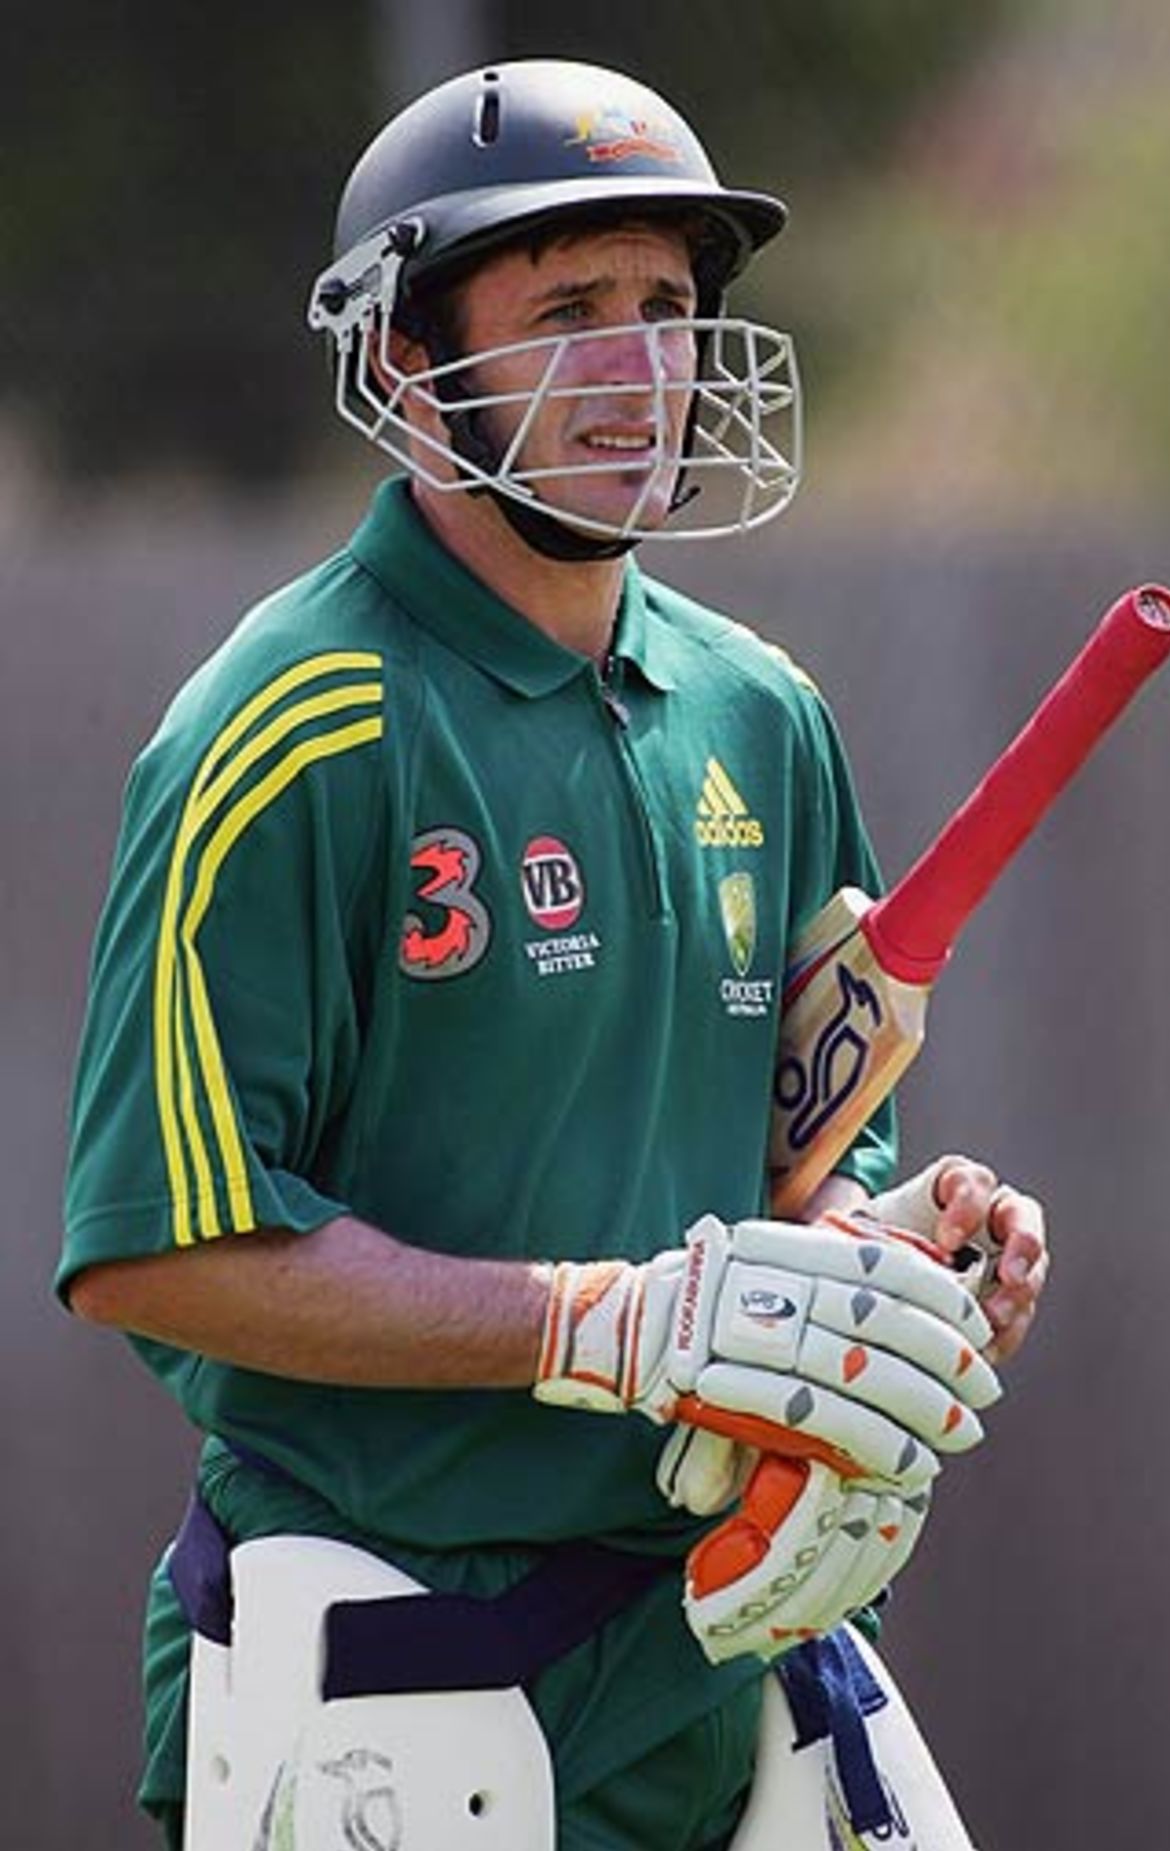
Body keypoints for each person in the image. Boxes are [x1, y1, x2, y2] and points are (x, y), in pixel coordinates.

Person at [58, 57, 1048, 1851]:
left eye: (666, 308)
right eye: (568, 308)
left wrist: (895, 1259)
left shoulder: (765, 714)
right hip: (400, 1698)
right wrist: (604, 1325)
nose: (638, 365)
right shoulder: (290, 726)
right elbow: (162, 1250)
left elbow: (801, 1171)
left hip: (740, 1671)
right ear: (407, 365)